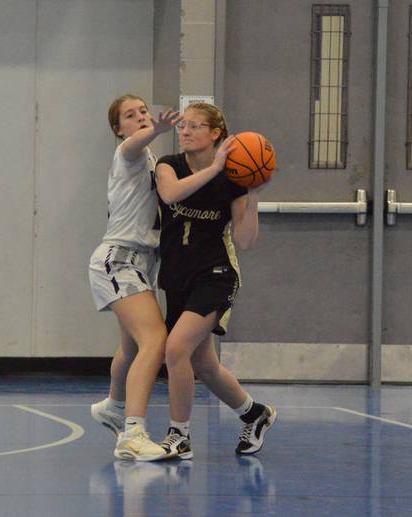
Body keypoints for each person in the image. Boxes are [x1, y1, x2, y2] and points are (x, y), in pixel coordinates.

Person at [154, 103, 277, 459]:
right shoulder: (169, 166)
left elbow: (245, 241)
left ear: (215, 134)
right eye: (184, 125)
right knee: (203, 364)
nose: (185, 130)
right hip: (177, 275)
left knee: (175, 349)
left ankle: (179, 436)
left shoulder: (234, 180)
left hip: (216, 275)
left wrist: (251, 195)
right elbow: (171, 195)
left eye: (195, 126)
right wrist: (217, 169)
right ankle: (255, 414)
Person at [88, 94, 181, 461]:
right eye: (131, 115)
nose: (140, 117)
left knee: (131, 348)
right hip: (118, 261)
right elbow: (135, 144)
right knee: (155, 340)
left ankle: (114, 406)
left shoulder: (152, 161)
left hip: (142, 264)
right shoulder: (128, 155)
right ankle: (133, 434)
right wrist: (156, 128)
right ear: (118, 129)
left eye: (143, 111)